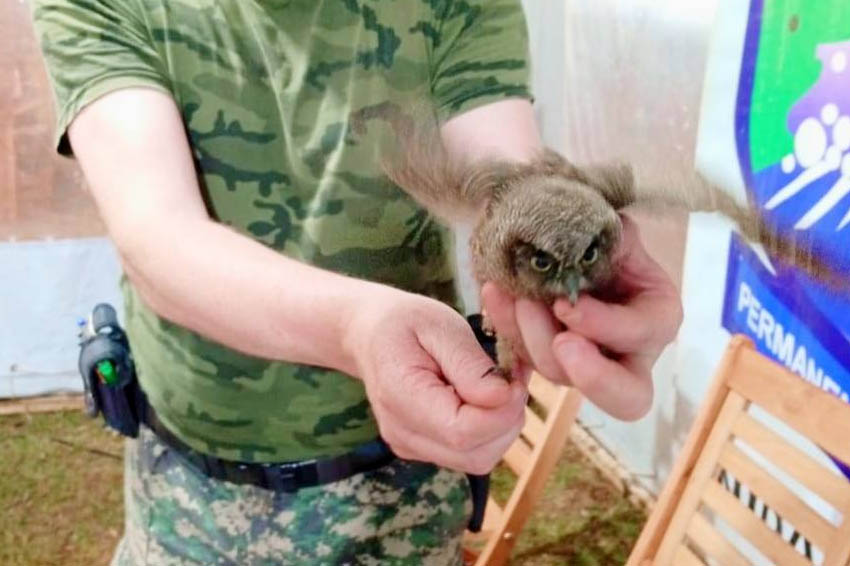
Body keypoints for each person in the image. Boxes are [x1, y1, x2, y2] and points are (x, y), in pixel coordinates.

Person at [31, 1, 682, 564]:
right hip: (190, 491)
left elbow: (503, 172)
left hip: (403, 488)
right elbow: (158, 237)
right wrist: (356, 328)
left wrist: (565, 243)